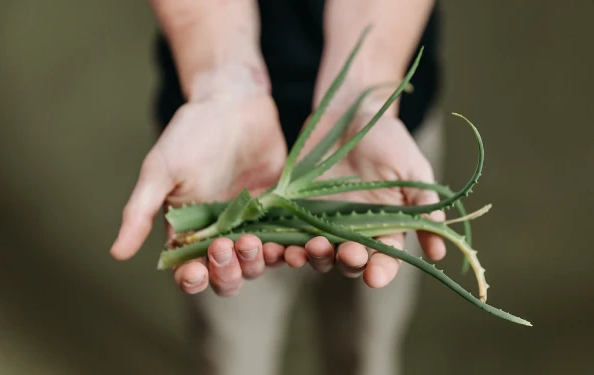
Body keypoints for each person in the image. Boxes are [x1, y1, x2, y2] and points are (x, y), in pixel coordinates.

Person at [111, 0, 445, 374]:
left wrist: (364, 97)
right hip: (219, 152)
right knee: (230, 348)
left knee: (363, 344)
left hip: (375, 145)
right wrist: (221, 84)